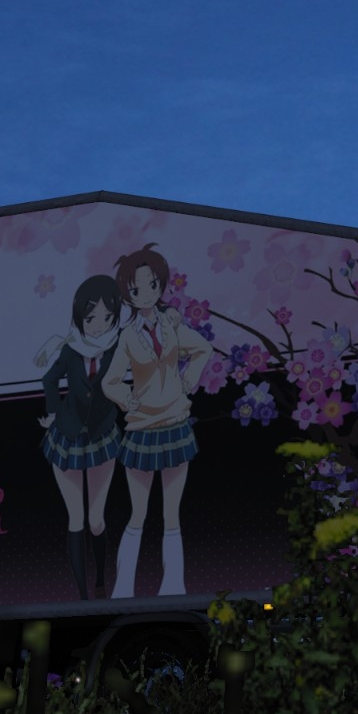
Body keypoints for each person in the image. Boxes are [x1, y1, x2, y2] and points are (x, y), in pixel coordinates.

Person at [101, 245, 210, 597]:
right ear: (128, 294)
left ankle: (174, 585)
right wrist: (126, 399)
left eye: (152, 285)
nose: (146, 293)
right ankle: (123, 587)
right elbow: (109, 381)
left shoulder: (171, 325)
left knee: (171, 514)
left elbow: (203, 348)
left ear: (161, 285)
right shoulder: (128, 336)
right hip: (143, 429)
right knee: (138, 512)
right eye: (136, 289)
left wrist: (191, 375)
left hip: (175, 423)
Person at [35, 275, 125, 600]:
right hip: (68, 437)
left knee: (96, 519)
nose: (99, 325)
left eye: (107, 317)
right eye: (91, 318)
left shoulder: (119, 346)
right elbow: (49, 380)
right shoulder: (71, 350)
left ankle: (100, 581)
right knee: (75, 519)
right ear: (79, 317)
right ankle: (83, 597)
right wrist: (53, 412)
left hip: (102, 437)